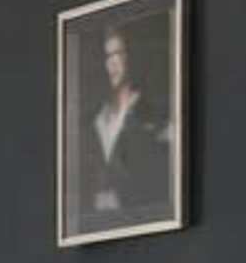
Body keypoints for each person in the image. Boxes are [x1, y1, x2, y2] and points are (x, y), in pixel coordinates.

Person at [74, 18, 174, 232]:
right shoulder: (94, 122)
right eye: (107, 56)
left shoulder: (156, 117)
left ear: (132, 56)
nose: (112, 63)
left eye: (118, 53)